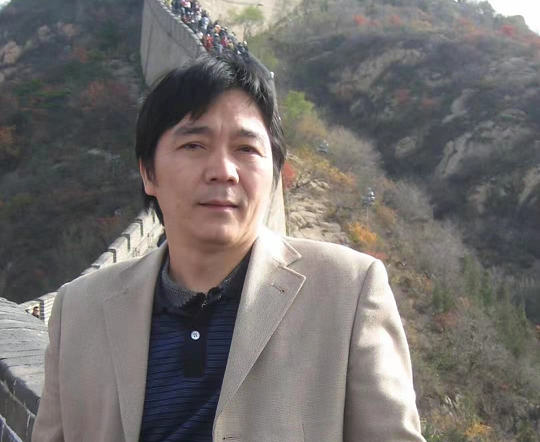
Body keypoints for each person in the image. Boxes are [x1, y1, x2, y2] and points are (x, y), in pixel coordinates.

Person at [32, 53, 426, 442]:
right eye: (194, 145)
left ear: (273, 174)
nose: (223, 170)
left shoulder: (348, 291)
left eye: (246, 149)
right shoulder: (80, 311)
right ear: (148, 173)